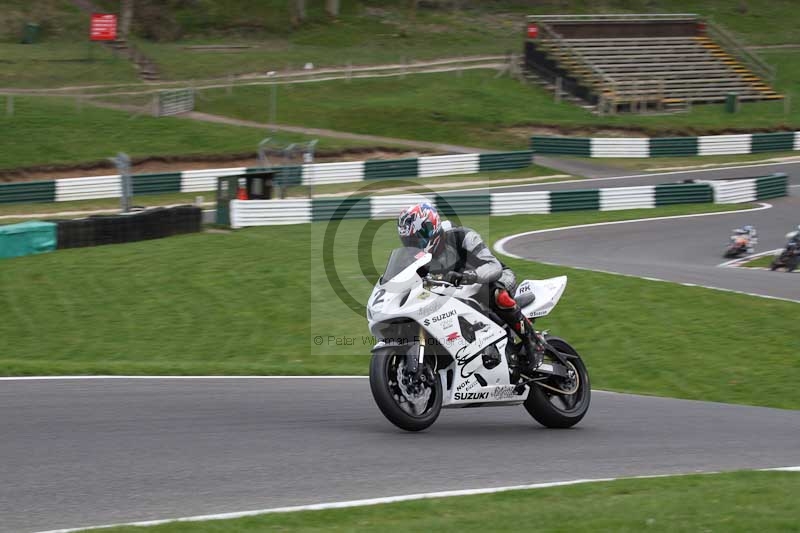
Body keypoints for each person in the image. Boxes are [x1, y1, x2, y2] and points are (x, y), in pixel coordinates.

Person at [397, 202, 542, 370]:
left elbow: (493, 266)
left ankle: (533, 342)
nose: (412, 245)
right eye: (408, 241)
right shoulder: (418, 259)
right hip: (456, 291)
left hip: (494, 277)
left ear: (431, 228)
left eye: (415, 239)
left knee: (494, 293)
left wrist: (468, 276)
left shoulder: (462, 237)